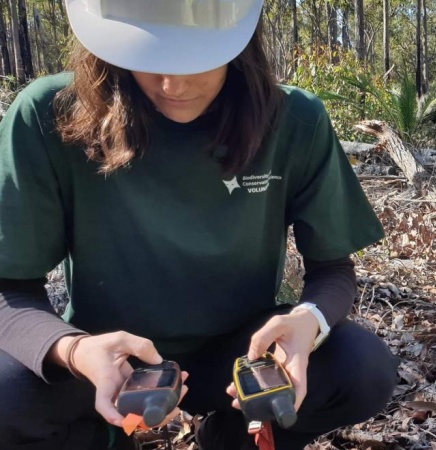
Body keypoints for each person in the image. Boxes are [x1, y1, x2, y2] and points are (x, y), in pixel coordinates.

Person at [0, 0, 399, 449]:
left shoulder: (294, 120)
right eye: (145, 57)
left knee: (360, 368)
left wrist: (310, 321)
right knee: (7, 390)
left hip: (242, 355)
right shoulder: (49, 114)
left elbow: (333, 268)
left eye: (197, 60)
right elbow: (9, 290)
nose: (173, 84)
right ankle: (103, 436)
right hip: (108, 358)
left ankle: (233, 439)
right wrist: (73, 351)